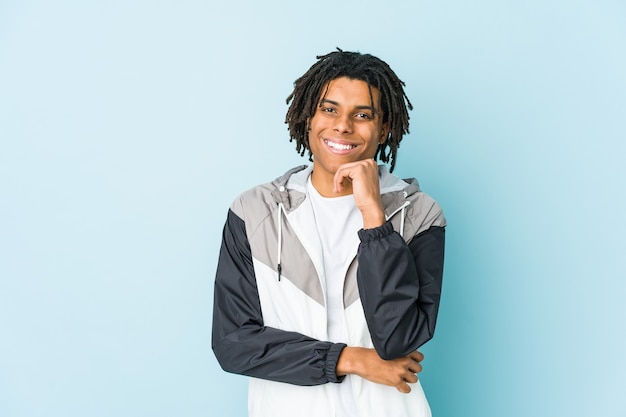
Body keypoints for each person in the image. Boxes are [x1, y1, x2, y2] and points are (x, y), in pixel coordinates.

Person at [212, 49, 446, 417]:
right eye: (329, 109)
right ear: (308, 117)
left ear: (384, 129)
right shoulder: (254, 211)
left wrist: (373, 216)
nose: (342, 126)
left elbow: (396, 339)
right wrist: (350, 359)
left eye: (363, 115)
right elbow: (234, 343)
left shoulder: (419, 215)